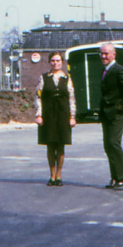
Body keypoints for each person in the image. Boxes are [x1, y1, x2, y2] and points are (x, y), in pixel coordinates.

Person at [98, 43, 123, 189]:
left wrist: (122, 105)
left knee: (113, 143)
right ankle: (115, 177)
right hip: (106, 114)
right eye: (102, 53)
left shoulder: (119, 70)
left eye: (106, 54)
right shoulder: (105, 71)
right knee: (108, 145)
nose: (103, 56)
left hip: (117, 114)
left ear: (113, 55)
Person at [35, 52, 76, 186]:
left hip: (63, 115)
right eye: (53, 60)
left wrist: (72, 117)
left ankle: (59, 175)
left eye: (58, 60)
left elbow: (71, 99)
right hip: (48, 115)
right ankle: (52, 175)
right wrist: (39, 114)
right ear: (49, 62)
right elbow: (38, 97)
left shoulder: (67, 78)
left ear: (62, 62)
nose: (55, 63)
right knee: (50, 145)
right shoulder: (44, 78)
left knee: (61, 145)